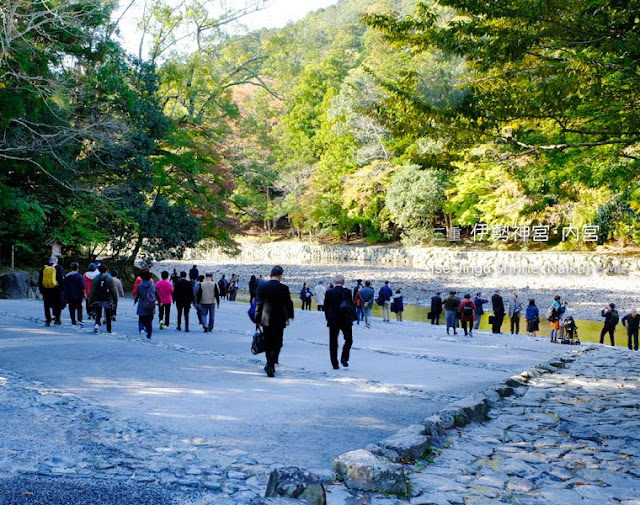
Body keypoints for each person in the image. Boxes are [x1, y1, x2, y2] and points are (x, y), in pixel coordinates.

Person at [255, 266, 294, 377]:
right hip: (279, 319)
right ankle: (271, 363)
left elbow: (259, 304)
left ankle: (269, 364)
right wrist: (289, 316)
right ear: (280, 276)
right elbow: (288, 303)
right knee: (278, 343)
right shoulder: (283, 288)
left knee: (268, 342)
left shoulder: (263, 287)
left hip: (265, 318)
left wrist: (257, 318)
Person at [324, 274, 355, 369]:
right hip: (345, 319)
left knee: (333, 341)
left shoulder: (329, 292)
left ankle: (334, 363)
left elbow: (326, 308)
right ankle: (344, 357)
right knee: (348, 339)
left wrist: (328, 318)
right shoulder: (348, 292)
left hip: (333, 319)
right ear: (343, 282)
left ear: (334, 282)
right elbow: (351, 306)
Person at [88, 264, 118, 334]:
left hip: (98, 298)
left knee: (98, 313)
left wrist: (90, 300)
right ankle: (109, 329)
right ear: (106, 270)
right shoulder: (109, 278)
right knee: (108, 314)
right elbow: (113, 290)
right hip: (108, 298)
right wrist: (115, 300)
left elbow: (92, 290)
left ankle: (96, 324)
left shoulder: (96, 278)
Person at [39, 256, 65, 326]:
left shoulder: (44, 268)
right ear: (56, 261)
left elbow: (40, 280)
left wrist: (41, 290)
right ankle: (57, 319)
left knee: (47, 305)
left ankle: (48, 320)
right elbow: (61, 280)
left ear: (49, 261)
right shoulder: (59, 268)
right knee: (57, 304)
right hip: (56, 289)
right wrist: (62, 289)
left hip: (46, 290)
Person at [134, 270, 157, 339]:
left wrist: (135, 300)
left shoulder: (140, 285)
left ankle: (141, 329)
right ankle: (149, 333)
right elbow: (156, 293)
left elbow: (138, 294)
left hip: (142, 303)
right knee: (149, 319)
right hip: (151, 303)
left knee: (141, 318)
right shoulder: (152, 284)